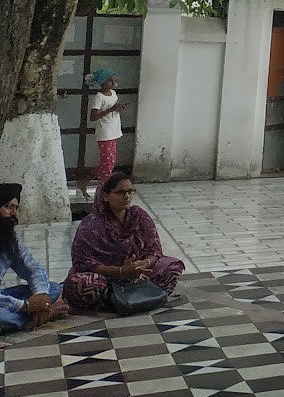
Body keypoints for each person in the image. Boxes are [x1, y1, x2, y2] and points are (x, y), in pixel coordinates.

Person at [64, 174, 184, 310]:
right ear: (105, 196)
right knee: (80, 284)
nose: (127, 196)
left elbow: (154, 250)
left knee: (172, 266)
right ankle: (115, 300)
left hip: (139, 274)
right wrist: (121, 271)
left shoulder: (139, 216)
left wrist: (144, 264)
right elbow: (83, 262)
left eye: (130, 191)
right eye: (120, 192)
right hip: (105, 278)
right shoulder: (91, 225)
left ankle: (134, 298)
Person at [0, 182, 71, 332]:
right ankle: (36, 317)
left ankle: (35, 315)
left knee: (52, 288)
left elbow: (33, 268)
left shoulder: (9, 239)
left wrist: (41, 296)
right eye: (8, 206)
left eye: (16, 208)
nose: (14, 213)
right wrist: (25, 306)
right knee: (2, 316)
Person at [87, 69, 125, 184]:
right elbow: (93, 117)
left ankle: (85, 181)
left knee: (110, 162)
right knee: (107, 163)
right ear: (102, 82)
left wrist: (119, 107)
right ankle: (104, 185)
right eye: (110, 81)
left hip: (114, 131)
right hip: (105, 133)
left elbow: (114, 107)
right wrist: (111, 109)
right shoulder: (99, 97)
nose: (113, 83)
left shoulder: (113, 93)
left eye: (114, 80)